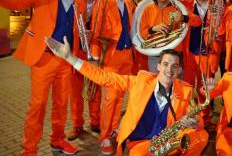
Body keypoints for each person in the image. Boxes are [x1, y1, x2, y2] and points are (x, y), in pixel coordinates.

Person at [45, 37, 209, 156]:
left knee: (201, 136)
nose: (169, 70)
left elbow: (198, 118)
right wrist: (70, 58)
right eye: (165, 64)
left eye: (174, 66)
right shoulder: (140, 82)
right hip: (142, 144)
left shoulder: (186, 90)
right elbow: (105, 78)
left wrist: (194, 122)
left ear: (180, 70)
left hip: (169, 141)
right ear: (158, 66)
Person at [0, 0, 82, 155]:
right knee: (37, 106)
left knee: (61, 105)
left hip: (64, 60)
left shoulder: (79, 2)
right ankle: (29, 149)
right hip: (43, 58)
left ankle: (57, 141)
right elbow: (19, 3)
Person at [90, 0, 135, 155]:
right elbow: (95, 28)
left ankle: (115, 129)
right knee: (109, 99)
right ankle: (104, 138)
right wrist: (94, 56)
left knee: (119, 98)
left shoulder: (130, 3)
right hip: (110, 56)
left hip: (127, 56)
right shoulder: (102, 2)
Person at [67, 0, 101, 140]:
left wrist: (94, 34)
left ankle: (95, 122)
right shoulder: (73, 2)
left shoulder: (101, 3)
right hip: (77, 53)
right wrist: (79, 34)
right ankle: (77, 125)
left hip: (94, 53)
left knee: (94, 91)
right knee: (75, 93)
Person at [139, 0, 199, 72]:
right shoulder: (147, 9)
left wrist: (184, 18)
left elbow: (198, 21)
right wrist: (153, 29)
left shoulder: (178, 7)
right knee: (156, 85)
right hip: (155, 56)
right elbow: (142, 33)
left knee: (176, 85)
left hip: (175, 56)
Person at [211, 0, 230, 77]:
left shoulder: (230, 7)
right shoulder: (206, 6)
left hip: (225, 47)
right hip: (211, 46)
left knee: (225, 73)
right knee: (209, 74)